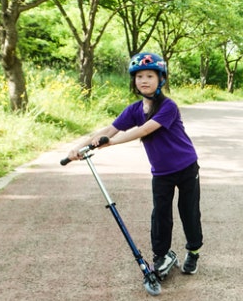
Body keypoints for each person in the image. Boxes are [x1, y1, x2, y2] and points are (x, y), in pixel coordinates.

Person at [69, 52, 203, 276]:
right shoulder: (133, 110)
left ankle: (194, 251)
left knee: (188, 210)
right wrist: (79, 148)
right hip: (161, 172)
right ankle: (161, 255)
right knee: (160, 214)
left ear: (161, 79)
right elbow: (108, 130)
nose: (144, 80)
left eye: (150, 76)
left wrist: (110, 143)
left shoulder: (168, 107)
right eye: (139, 76)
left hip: (186, 166)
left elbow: (144, 130)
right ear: (134, 81)